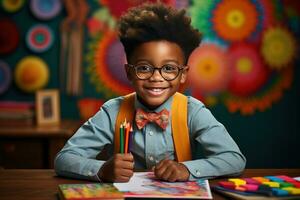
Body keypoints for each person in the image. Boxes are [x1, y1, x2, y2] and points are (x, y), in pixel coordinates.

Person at [55, 2, 246, 183]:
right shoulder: (112, 112)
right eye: (144, 68)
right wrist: (101, 169)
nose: (156, 77)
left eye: (169, 68)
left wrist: (187, 170)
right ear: (129, 72)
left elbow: (234, 159)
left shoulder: (193, 111)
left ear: (183, 74)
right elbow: (64, 159)